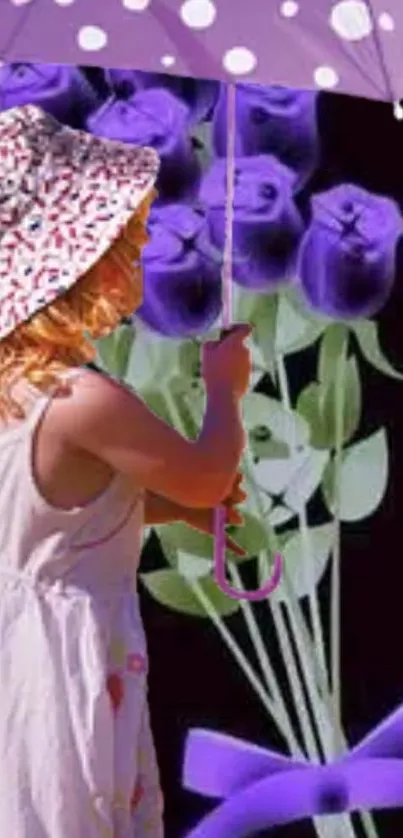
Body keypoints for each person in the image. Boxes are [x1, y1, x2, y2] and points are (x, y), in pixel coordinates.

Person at [0, 104, 252, 837]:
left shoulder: (14, 390)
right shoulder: (80, 400)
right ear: (81, 265)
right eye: (126, 238)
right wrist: (223, 391)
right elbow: (207, 473)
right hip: (61, 665)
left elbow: (40, 524)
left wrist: (162, 514)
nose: (140, 246)